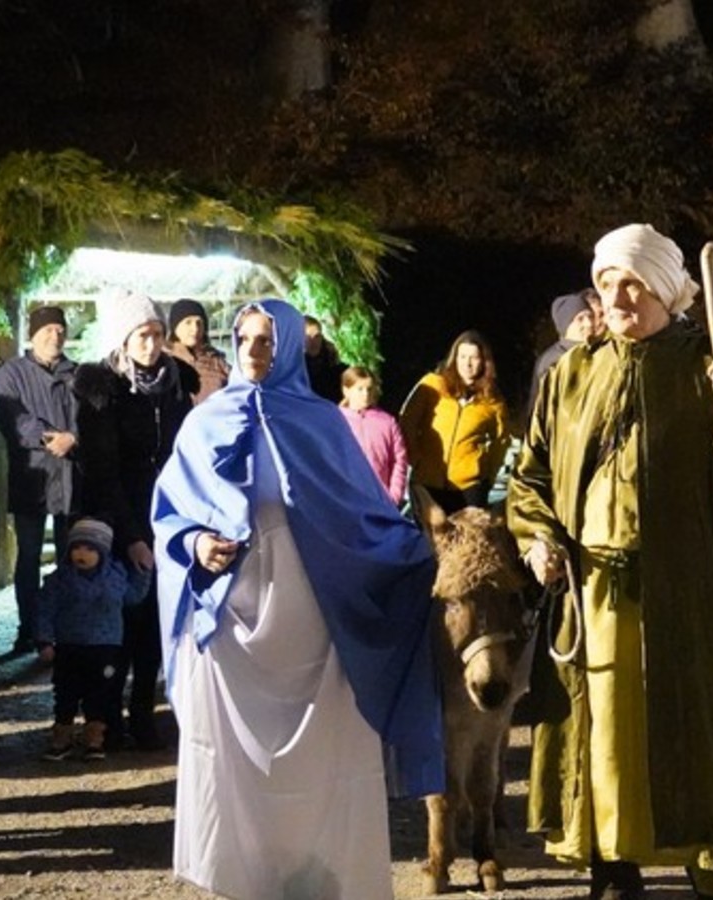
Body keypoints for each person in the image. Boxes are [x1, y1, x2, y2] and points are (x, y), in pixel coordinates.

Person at [509, 223, 713, 898]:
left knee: (691, 731)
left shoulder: (710, 366)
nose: (617, 295)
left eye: (633, 283)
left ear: (670, 295)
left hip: (686, 594)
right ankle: (614, 865)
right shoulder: (571, 373)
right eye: (608, 282)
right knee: (606, 738)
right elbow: (530, 478)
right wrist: (538, 539)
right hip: (594, 595)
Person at [151, 298, 443, 900]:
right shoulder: (204, 422)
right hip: (232, 615)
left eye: (266, 340)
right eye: (244, 339)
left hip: (313, 609)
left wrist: (412, 555)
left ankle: (323, 876)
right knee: (234, 756)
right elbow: (169, 514)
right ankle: (243, 877)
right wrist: (195, 541)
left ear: (287, 346)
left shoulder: (322, 423)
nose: (254, 351)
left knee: (322, 753)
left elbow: (363, 513)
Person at [74, 288, 196, 750]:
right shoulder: (101, 390)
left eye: (157, 334)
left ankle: (144, 714)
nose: (151, 345)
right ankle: (103, 719)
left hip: (167, 511)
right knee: (115, 625)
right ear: (123, 338)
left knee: (154, 624)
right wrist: (130, 537)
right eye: (142, 335)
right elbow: (102, 471)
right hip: (118, 510)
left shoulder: (177, 381)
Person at [0, 304, 80, 655]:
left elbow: (88, 414)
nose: (54, 336)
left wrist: (74, 437)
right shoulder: (11, 373)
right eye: (47, 331)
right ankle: (29, 627)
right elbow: (13, 417)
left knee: (70, 554)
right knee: (28, 556)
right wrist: (49, 437)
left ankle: (64, 625)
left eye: (60, 331)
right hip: (32, 475)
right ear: (32, 335)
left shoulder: (77, 374)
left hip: (70, 477)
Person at [36, 517, 136, 761]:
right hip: (70, 646)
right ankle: (62, 738)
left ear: (102, 552)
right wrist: (44, 640)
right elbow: (45, 610)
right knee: (65, 694)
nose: (83, 554)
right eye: (77, 548)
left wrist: (143, 573)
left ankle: (94, 740)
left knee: (98, 695)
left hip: (104, 647)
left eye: (91, 549)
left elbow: (132, 598)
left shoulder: (116, 576)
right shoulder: (59, 580)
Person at [400, 330, 509, 514]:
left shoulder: (492, 401)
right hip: (428, 482)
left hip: (469, 488)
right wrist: (415, 458)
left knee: (468, 541)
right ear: (454, 358)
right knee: (429, 541)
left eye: (474, 358)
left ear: (484, 361)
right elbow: (407, 421)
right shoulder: (432, 385)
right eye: (462, 356)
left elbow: (501, 440)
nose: (467, 364)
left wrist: (488, 475)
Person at [338, 366, 409, 505]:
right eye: (360, 389)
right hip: (345, 502)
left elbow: (399, 459)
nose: (365, 394)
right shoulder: (335, 421)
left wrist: (394, 495)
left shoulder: (387, 422)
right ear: (346, 390)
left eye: (369, 389)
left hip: (380, 501)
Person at [532, 289, 598, 405]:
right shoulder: (553, 361)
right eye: (580, 319)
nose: (589, 323)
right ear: (566, 325)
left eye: (590, 316)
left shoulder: (596, 352)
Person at [166, 298, 230, 404]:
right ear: (175, 327)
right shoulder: (164, 361)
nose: (195, 329)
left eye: (199, 322)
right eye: (188, 322)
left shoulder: (218, 362)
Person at [302, 314, 346, 402]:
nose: (313, 341)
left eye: (317, 336)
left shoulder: (333, 363)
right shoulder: (291, 366)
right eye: (308, 337)